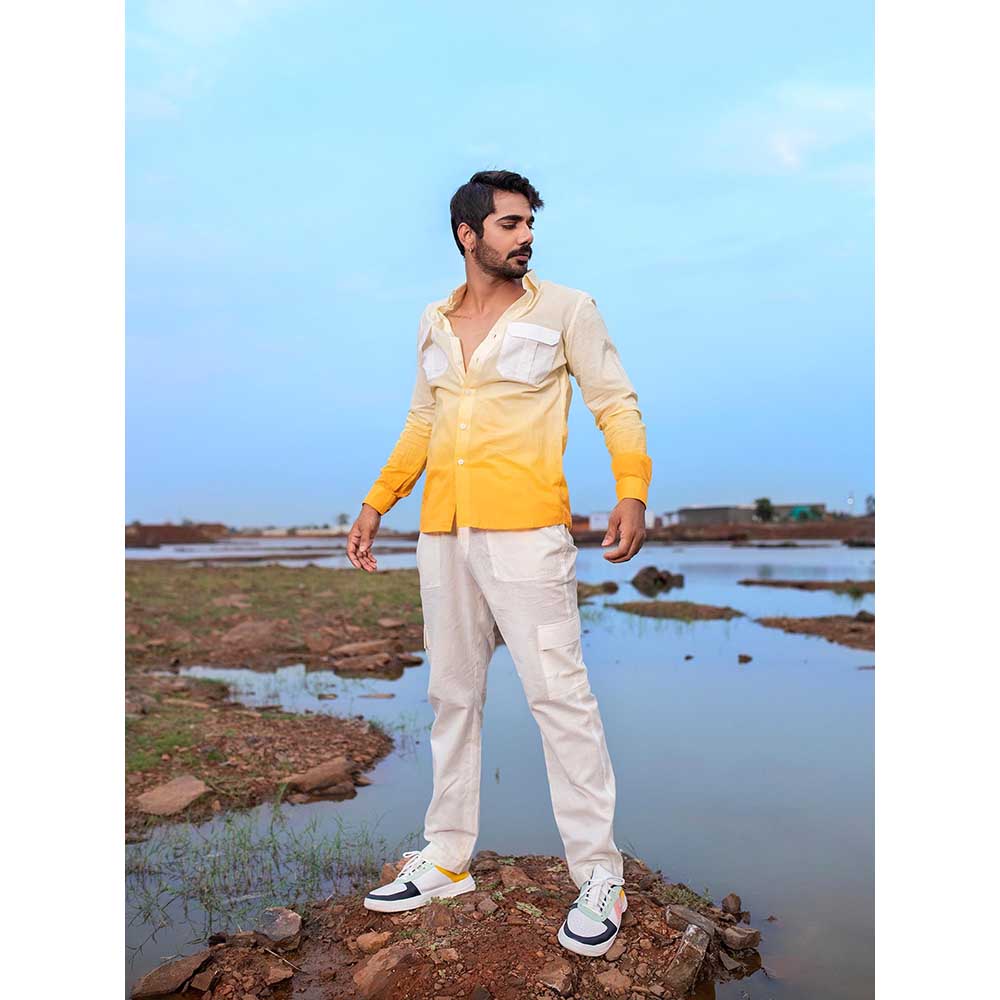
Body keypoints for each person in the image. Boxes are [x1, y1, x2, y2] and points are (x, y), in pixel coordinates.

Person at [346, 169, 652, 957]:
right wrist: (379, 502)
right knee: (452, 695)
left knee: (561, 700)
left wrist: (631, 490)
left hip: (528, 534)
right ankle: (447, 856)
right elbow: (422, 420)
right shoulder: (434, 321)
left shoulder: (568, 309)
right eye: (510, 224)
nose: (526, 237)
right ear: (468, 233)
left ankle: (600, 875)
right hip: (443, 534)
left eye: (529, 224)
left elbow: (614, 402)